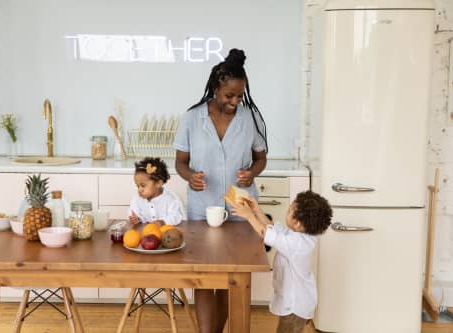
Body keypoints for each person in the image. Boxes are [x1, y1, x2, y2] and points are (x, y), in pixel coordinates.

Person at [173, 48, 268, 332]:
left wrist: (252, 173)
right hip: (202, 207)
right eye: (230, 95)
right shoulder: (192, 118)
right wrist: (190, 177)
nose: (235, 101)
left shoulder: (251, 117)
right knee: (202, 275)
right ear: (216, 88)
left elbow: (261, 157)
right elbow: (180, 162)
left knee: (232, 274)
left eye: (240, 95)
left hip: (240, 208)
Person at [230, 191, 333, 333]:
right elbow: (270, 227)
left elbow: (264, 233)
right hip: (297, 302)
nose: (287, 210)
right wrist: (256, 209)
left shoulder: (297, 244)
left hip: (295, 306)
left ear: (297, 223)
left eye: (290, 210)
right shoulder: (297, 235)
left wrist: (248, 216)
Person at [128, 157, 183, 226]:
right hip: (146, 233)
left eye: (143, 185)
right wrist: (136, 218)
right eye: (137, 186)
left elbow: (176, 217)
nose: (139, 190)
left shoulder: (170, 199)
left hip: (165, 233)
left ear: (158, 183)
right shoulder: (137, 198)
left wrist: (163, 222)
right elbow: (133, 212)